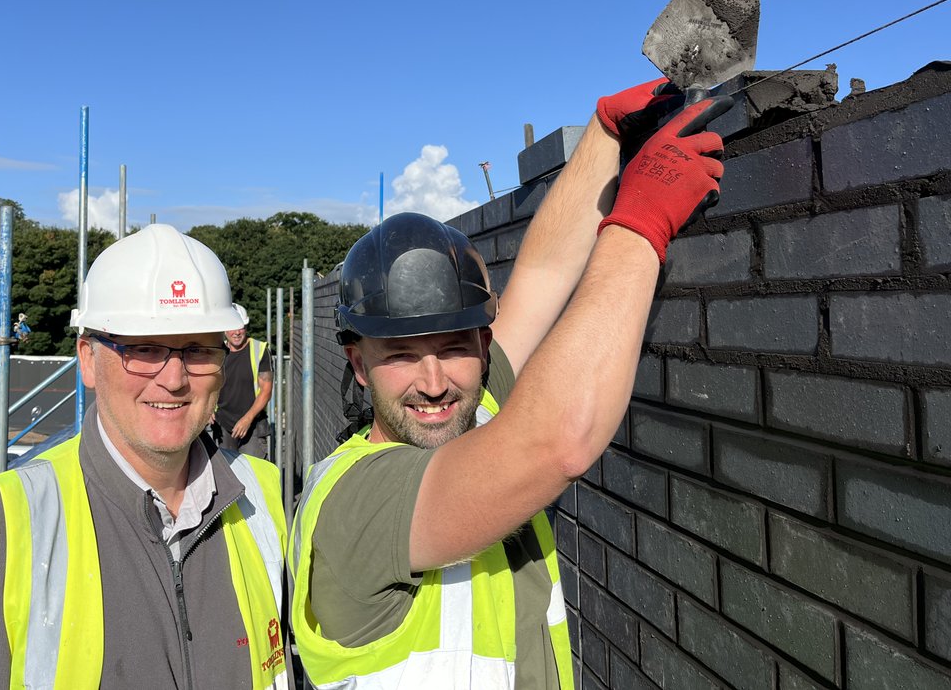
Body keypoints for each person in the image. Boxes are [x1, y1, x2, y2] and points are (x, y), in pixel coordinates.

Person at [289, 82, 730, 688]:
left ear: (481, 345)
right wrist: (642, 223)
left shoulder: (476, 411)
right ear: (359, 365)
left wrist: (603, 136)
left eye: (453, 347)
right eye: (401, 356)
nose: (435, 382)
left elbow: (544, 274)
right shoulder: (353, 502)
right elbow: (559, 441)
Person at [0, 224, 292, 689]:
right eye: (144, 349)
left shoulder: (263, 498)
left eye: (197, 350)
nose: (174, 379)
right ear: (87, 359)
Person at [214, 302, 274, 458]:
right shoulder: (216, 351)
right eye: (232, 327)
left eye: (240, 327)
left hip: (252, 426)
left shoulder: (259, 350)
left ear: (246, 327)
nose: (237, 332)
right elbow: (206, 383)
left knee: (253, 475)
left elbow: (266, 391)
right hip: (223, 426)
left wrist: (247, 419)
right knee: (227, 477)